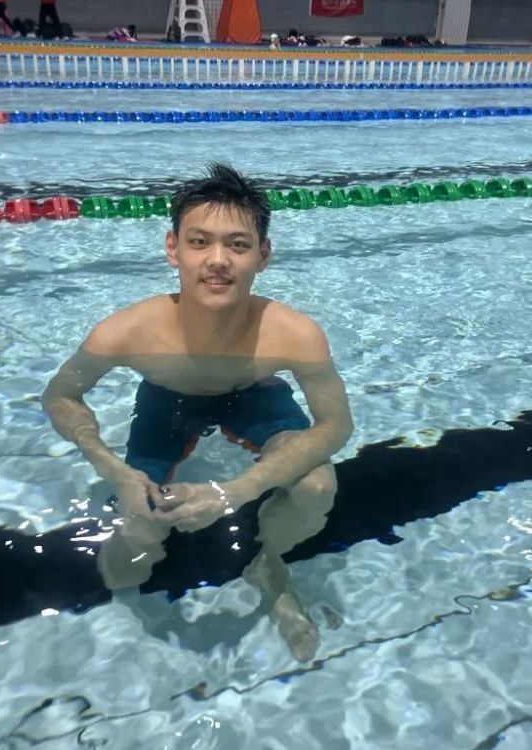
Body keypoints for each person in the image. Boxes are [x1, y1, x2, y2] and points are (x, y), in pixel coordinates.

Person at [42, 164, 353, 661]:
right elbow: (60, 396)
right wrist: (115, 471)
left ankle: (266, 561)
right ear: (174, 249)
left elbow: (337, 425)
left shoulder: (293, 333)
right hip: (167, 401)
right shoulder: (127, 331)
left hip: (253, 394)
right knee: (124, 564)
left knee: (317, 486)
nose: (218, 260)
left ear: (263, 255)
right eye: (200, 242)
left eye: (238, 245)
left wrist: (233, 492)